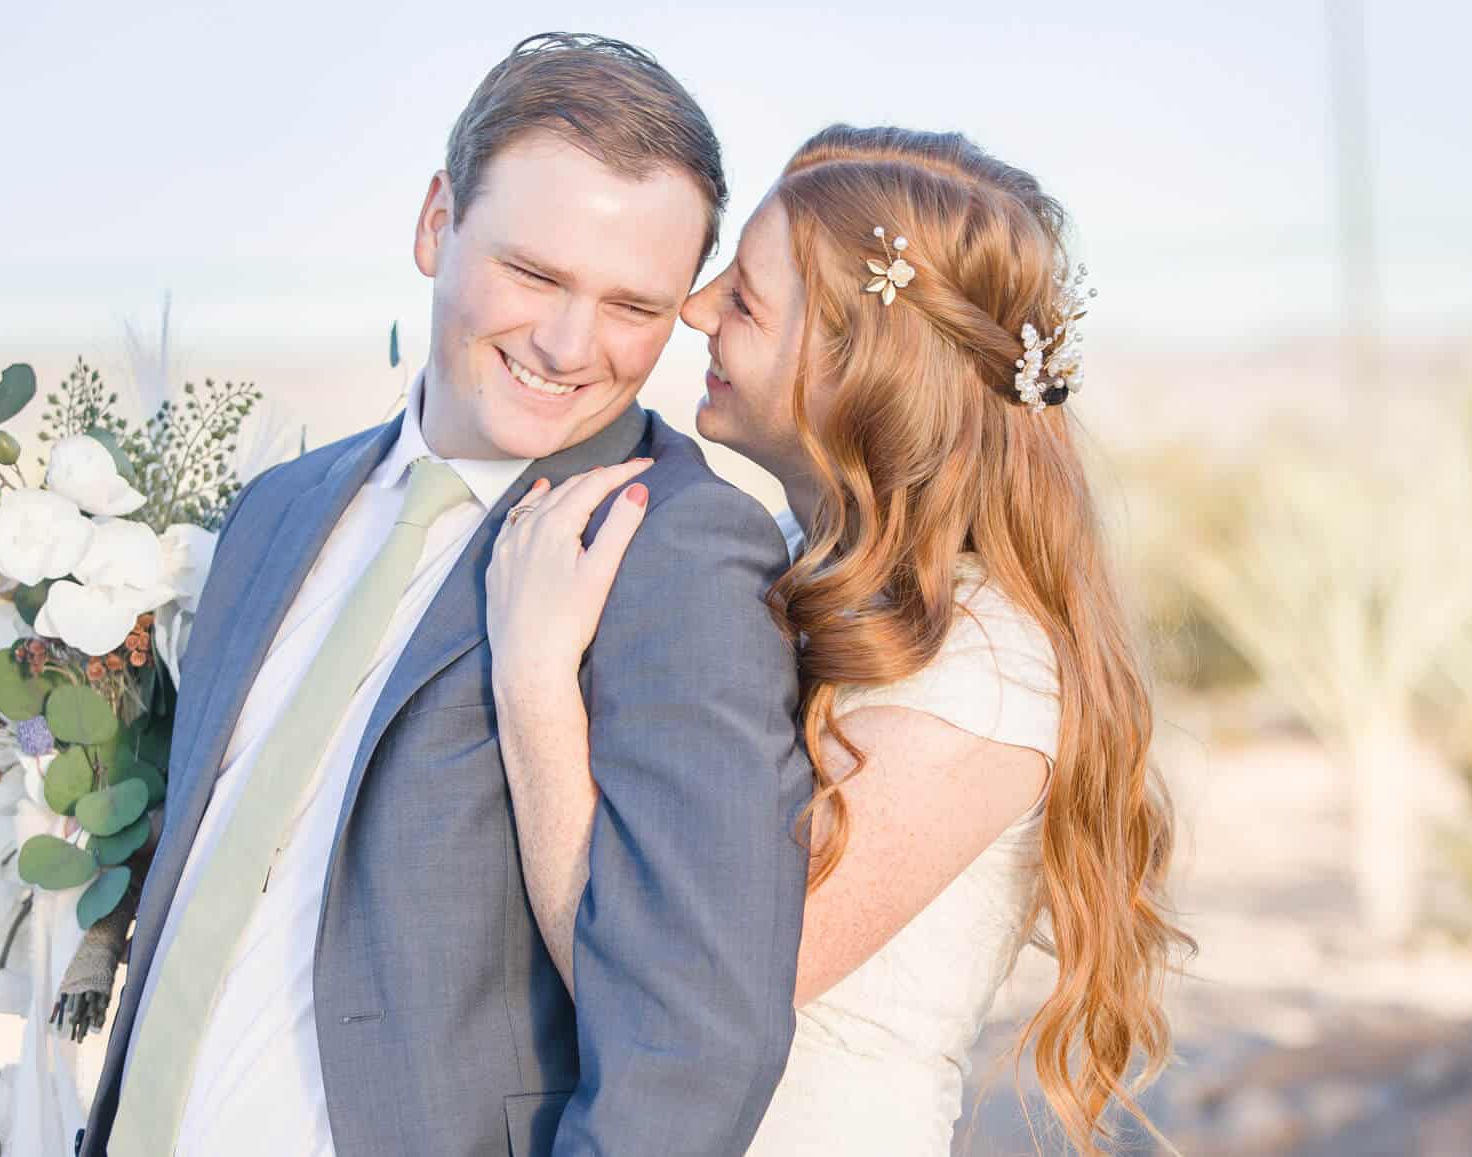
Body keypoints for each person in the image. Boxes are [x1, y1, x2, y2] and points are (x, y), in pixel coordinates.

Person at [77, 34, 812, 1157]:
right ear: (435, 223)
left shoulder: (683, 549)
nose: (570, 345)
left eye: (633, 306)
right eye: (533, 274)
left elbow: (693, 1044)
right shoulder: (275, 511)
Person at [488, 125, 1189, 1154]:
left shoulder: (986, 675)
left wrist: (533, 681)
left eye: (745, 298)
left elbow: (673, 998)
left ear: (860, 370)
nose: (694, 309)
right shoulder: (777, 560)